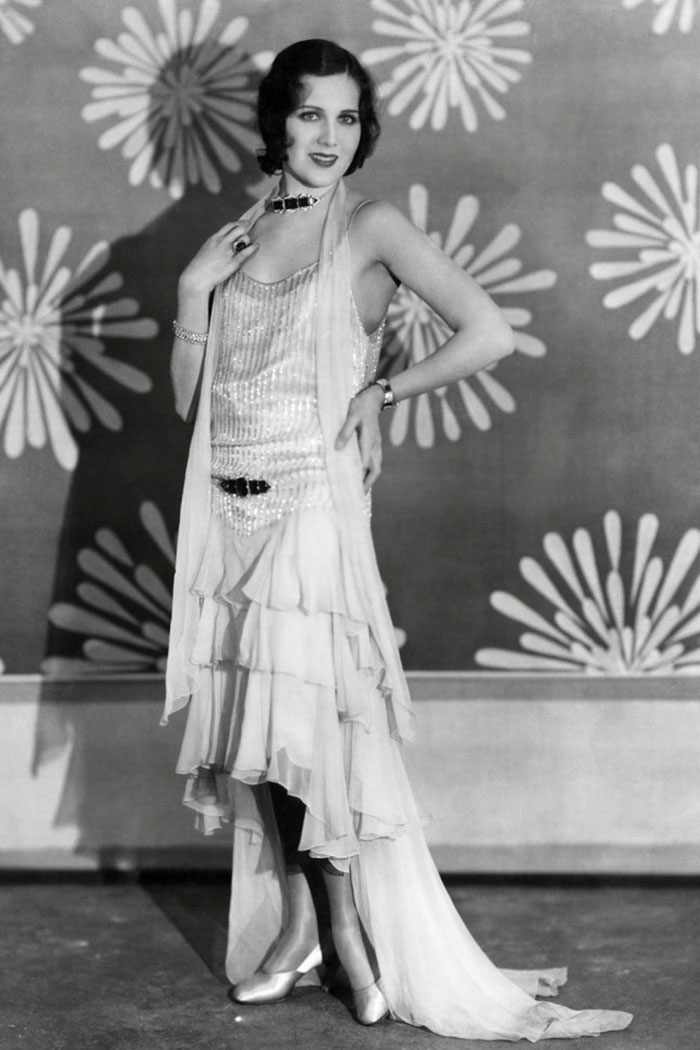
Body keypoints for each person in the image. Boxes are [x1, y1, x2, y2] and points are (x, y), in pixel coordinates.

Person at [163, 38, 632, 1041]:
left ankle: (345, 934)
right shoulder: (240, 234)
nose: (328, 136)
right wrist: (193, 293)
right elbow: (193, 404)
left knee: (311, 730)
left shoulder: (370, 225)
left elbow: (488, 330)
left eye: (346, 116)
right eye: (309, 114)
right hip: (233, 514)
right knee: (260, 734)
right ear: (277, 122)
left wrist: (383, 390)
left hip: (313, 509)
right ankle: (302, 931)